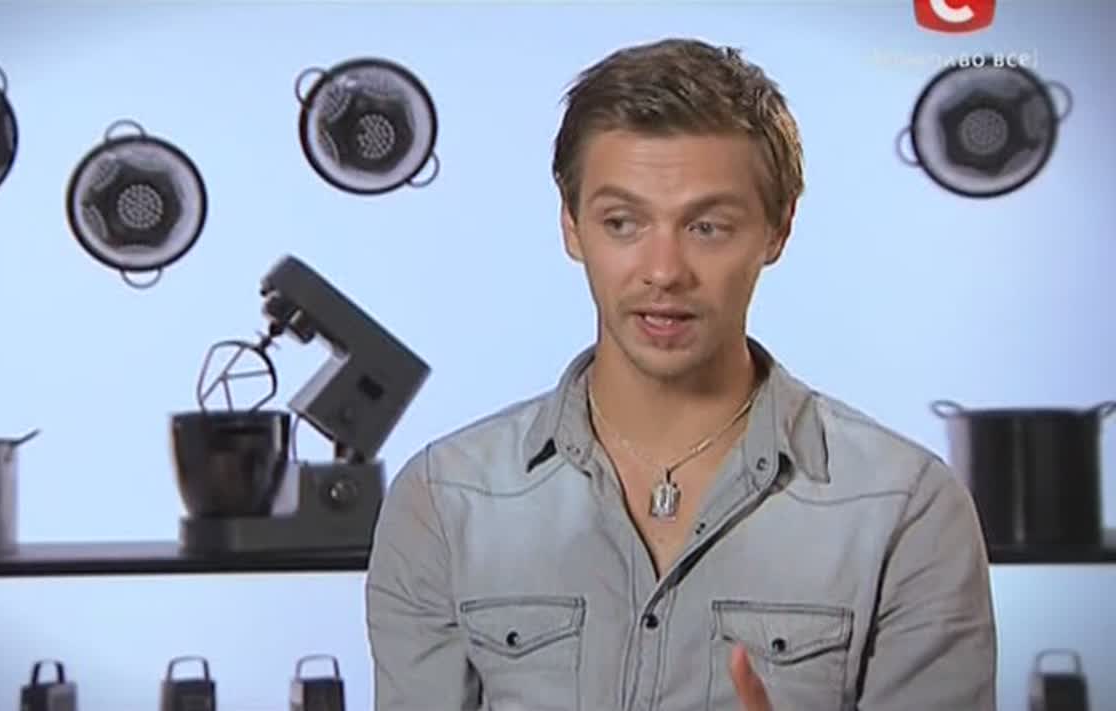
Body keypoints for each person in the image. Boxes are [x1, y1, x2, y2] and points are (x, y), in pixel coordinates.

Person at [364, 37, 997, 710]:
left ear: (778, 229)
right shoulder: (444, 501)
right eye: (622, 222)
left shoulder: (906, 509)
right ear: (572, 226)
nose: (664, 271)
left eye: (708, 227)